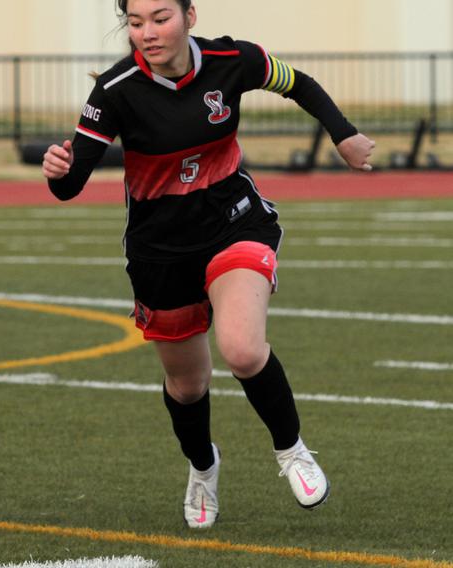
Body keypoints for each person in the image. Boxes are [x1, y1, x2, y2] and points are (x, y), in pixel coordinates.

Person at [42, 0, 374, 529]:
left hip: (233, 223)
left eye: (160, 17)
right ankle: (203, 467)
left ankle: (291, 451)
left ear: (190, 15)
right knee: (188, 386)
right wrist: (58, 170)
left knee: (242, 349)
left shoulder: (232, 59)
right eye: (135, 22)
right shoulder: (115, 89)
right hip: (159, 252)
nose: (147, 32)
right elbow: (70, 184)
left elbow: (300, 83)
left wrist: (344, 133)